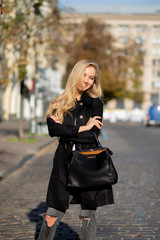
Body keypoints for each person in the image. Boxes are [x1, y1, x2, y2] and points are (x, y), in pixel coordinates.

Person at [38, 59, 114, 240]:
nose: (87, 80)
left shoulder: (95, 104)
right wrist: (82, 128)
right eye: (84, 75)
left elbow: (91, 135)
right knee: (52, 213)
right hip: (64, 161)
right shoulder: (59, 102)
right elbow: (53, 130)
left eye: (92, 78)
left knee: (88, 212)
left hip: (87, 161)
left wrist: (68, 130)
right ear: (76, 74)